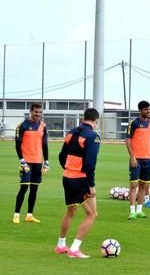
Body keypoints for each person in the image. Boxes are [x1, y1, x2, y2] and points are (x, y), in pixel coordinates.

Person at [54, 108, 101, 258]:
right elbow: (90, 164)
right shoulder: (93, 136)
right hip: (79, 180)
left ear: (84, 118)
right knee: (92, 214)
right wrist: (91, 185)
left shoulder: (71, 132)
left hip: (67, 177)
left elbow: (61, 156)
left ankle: (61, 245)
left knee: (71, 211)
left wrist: (69, 169)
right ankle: (74, 249)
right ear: (96, 120)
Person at [13, 103, 49, 224]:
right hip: (26, 162)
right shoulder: (22, 125)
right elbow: (17, 145)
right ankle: (16, 214)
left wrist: (46, 161)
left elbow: (45, 145)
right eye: (36, 112)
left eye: (40, 112)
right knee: (24, 188)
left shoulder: (43, 126)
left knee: (34, 189)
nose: (38, 114)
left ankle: (29, 215)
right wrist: (22, 160)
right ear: (31, 111)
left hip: (38, 162)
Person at [125, 100, 150, 220]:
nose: (148, 111)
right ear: (140, 110)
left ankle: (140, 210)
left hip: (148, 159)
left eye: (149, 109)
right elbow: (128, 140)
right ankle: (132, 211)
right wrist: (132, 156)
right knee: (133, 185)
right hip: (136, 159)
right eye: (146, 109)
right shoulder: (133, 123)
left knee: (143, 186)